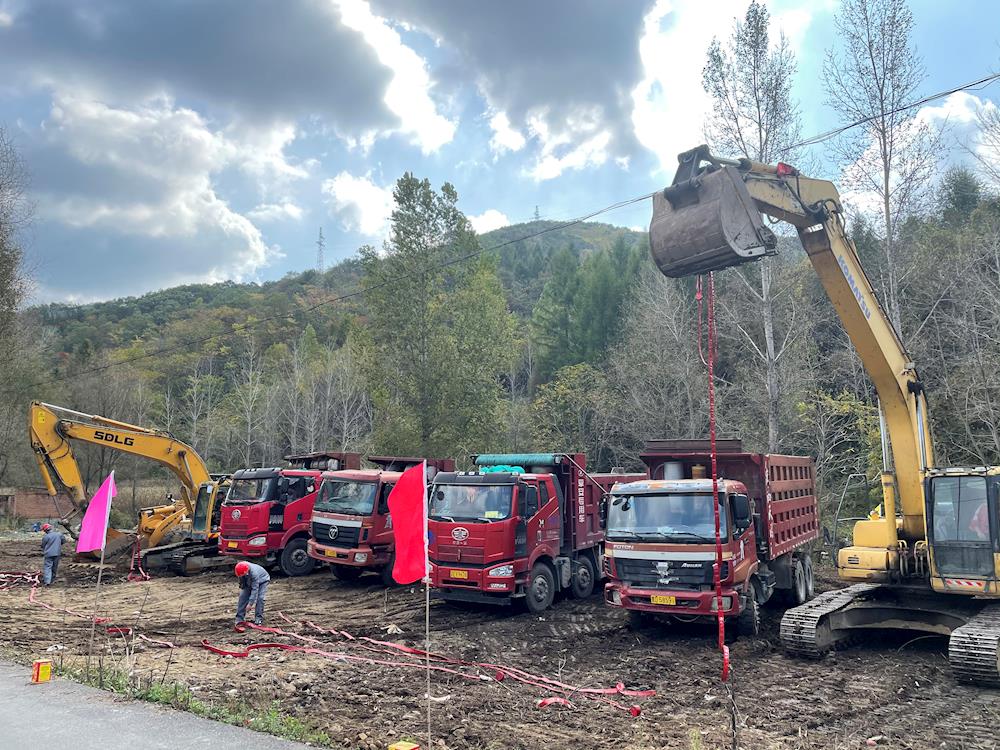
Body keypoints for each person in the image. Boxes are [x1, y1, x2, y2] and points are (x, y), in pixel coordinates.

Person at [234, 560, 270, 627]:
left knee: (260, 598)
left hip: (263, 581)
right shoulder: (240, 568)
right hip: (249, 581)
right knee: (242, 597)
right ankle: (239, 619)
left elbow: (255, 589)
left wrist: (250, 604)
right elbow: (242, 582)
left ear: (246, 572)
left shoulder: (254, 574)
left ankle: (258, 619)